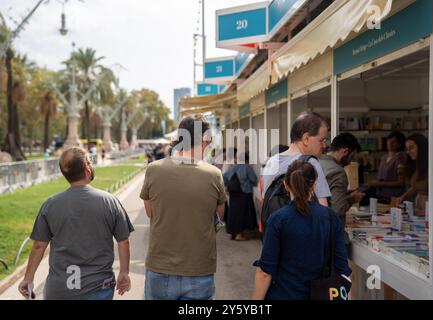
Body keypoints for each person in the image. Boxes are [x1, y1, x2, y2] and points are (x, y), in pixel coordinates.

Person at [18, 147, 134, 300]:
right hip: (99, 287)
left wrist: (28, 278)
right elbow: (123, 241)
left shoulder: (50, 204)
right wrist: (124, 272)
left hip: (59, 288)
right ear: (87, 168)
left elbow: (39, 245)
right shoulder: (109, 201)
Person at [140, 114, 227, 300]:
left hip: (159, 267)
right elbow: (219, 215)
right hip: (199, 268)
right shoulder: (214, 174)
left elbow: (150, 212)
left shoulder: (153, 170)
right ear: (203, 139)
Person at [253, 160, 351, 300]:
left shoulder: (278, 219)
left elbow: (265, 273)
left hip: (283, 295)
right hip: (321, 295)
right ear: (314, 185)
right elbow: (342, 268)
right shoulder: (330, 217)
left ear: (286, 185)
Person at [262, 112, 331, 207]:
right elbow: (323, 208)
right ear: (306, 138)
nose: (324, 145)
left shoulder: (271, 162)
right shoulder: (310, 163)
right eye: (321, 140)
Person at [319, 133, 365, 225]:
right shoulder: (337, 172)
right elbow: (338, 210)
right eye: (351, 157)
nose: (350, 162)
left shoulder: (317, 162)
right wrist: (352, 199)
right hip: (330, 228)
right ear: (345, 152)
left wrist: (344, 194)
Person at [224, 152, 258, 241]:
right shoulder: (246, 167)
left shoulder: (232, 168)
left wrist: (227, 187)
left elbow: (224, 178)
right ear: (246, 159)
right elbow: (254, 179)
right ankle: (239, 235)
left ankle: (233, 233)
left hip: (233, 194)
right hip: (244, 193)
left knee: (233, 213)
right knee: (242, 214)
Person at [368, 131, 407, 201]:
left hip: (393, 197)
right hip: (380, 195)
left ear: (400, 144)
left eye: (393, 142)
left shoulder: (400, 158)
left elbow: (401, 182)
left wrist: (380, 184)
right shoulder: (384, 157)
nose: (389, 143)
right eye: (388, 141)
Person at [398, 134, 429, 215]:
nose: (408, 152)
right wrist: (402, 197)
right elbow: (415, 187)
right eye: (407, 149)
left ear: (421, 147)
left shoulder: (432, 168)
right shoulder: (419, 166)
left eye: (411, 148)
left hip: (427, 211)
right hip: (418, 210)